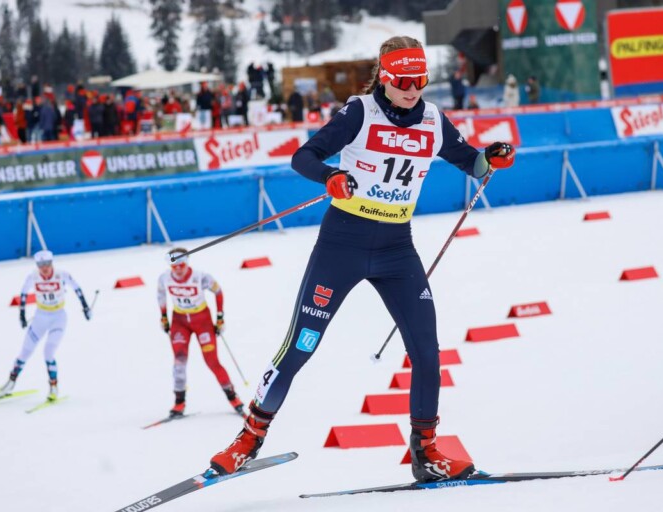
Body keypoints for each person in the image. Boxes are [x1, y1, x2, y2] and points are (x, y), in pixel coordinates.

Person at [209, 35, 515, 482]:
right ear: (386, 78)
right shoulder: (360, 112)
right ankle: (249, 438)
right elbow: (303, 157)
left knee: (427, 353)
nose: (413, 89)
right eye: (404, 80)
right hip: (342, 246)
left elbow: (471, 163)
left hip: (397, 250)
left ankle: (426, 452)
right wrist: (331, 175)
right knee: (300, 346)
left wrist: (491, 157)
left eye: (421, 80)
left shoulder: (433, 119)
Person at [157, 248, 245, 418]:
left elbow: (218, 291)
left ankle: (234, 398)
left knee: (212, 361)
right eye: (174, 267)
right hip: (179, 321)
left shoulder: (200, 277)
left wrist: (220, 317)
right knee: (179, 361)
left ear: (187, 263)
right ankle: (179, 404)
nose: (179, 270)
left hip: (201, 320)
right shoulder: (165, 278)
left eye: (182, 265)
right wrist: (163, 317)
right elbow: (160, 294)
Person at [0, 250, 92, 401]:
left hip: (58, 318)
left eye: (47, 264)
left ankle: (53, 387)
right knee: (25, 352)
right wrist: (22, 315)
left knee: (48, 353)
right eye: (40, 264)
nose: (44, 268)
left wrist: (85, 307)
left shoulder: (62, 274)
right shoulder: (33, 276)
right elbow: (24, 293)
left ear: (52, 263)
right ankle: (10, 384)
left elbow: (77, 288)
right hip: (40, 317)